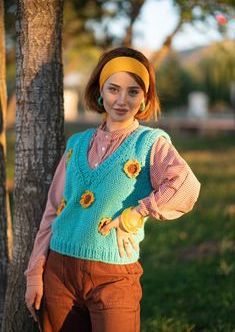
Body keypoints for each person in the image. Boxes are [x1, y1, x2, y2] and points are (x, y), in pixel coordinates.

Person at [25, 47, 201, 332]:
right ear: (100, 91)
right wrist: (35, 273)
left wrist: (136, 213)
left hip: (114, 276)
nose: (122, 100)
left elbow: (186, 187)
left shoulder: (149, 143)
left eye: (133, 92)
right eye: (113, 89)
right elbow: (52, 211)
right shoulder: (76, 144)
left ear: (144, 98)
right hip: (58, 274)